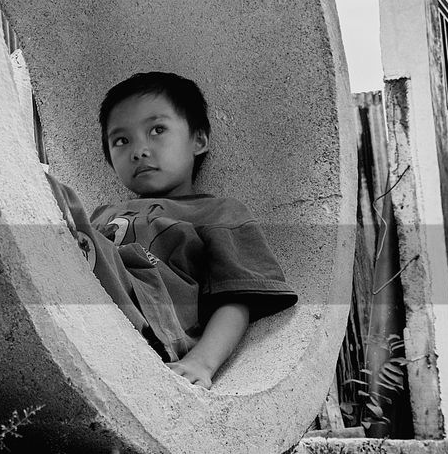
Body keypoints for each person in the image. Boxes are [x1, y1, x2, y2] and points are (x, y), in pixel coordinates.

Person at [50, 72, 297, 389]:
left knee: (62, 203)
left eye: (157, 130)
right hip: (91, 301)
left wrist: (202, 362)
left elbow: (238, 300)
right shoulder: (102, 215)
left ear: (198, 140)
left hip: (155, 318)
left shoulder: (219, 211)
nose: (139, 150)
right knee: (58, 210)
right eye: (121, 140)